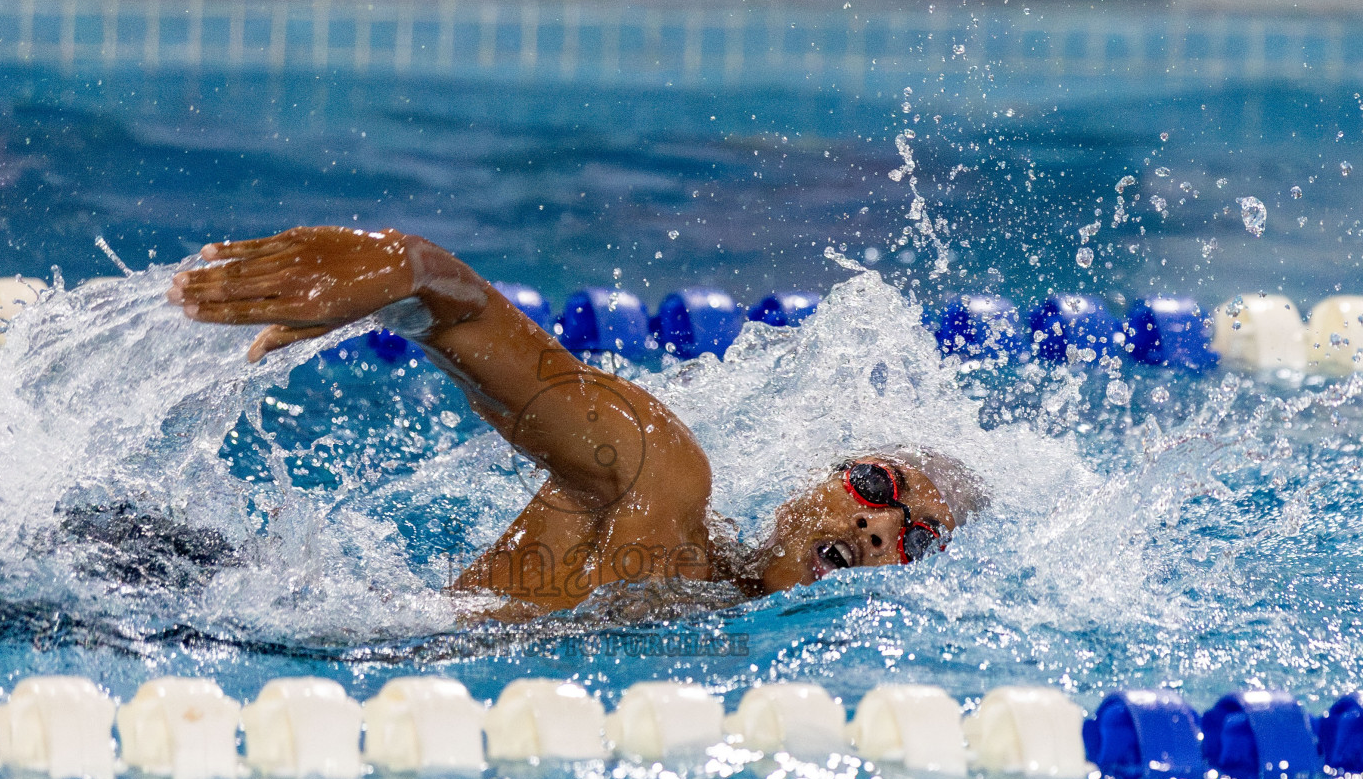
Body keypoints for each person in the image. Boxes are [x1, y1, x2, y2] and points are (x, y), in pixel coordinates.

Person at [169, 226, 985, 621]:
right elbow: (471, 319)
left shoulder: (715, 614)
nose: (881, 528)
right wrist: (409, 271)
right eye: (879, 488)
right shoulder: (663, 485)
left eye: (916, 538)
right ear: (822, 479)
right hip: (190, 602)